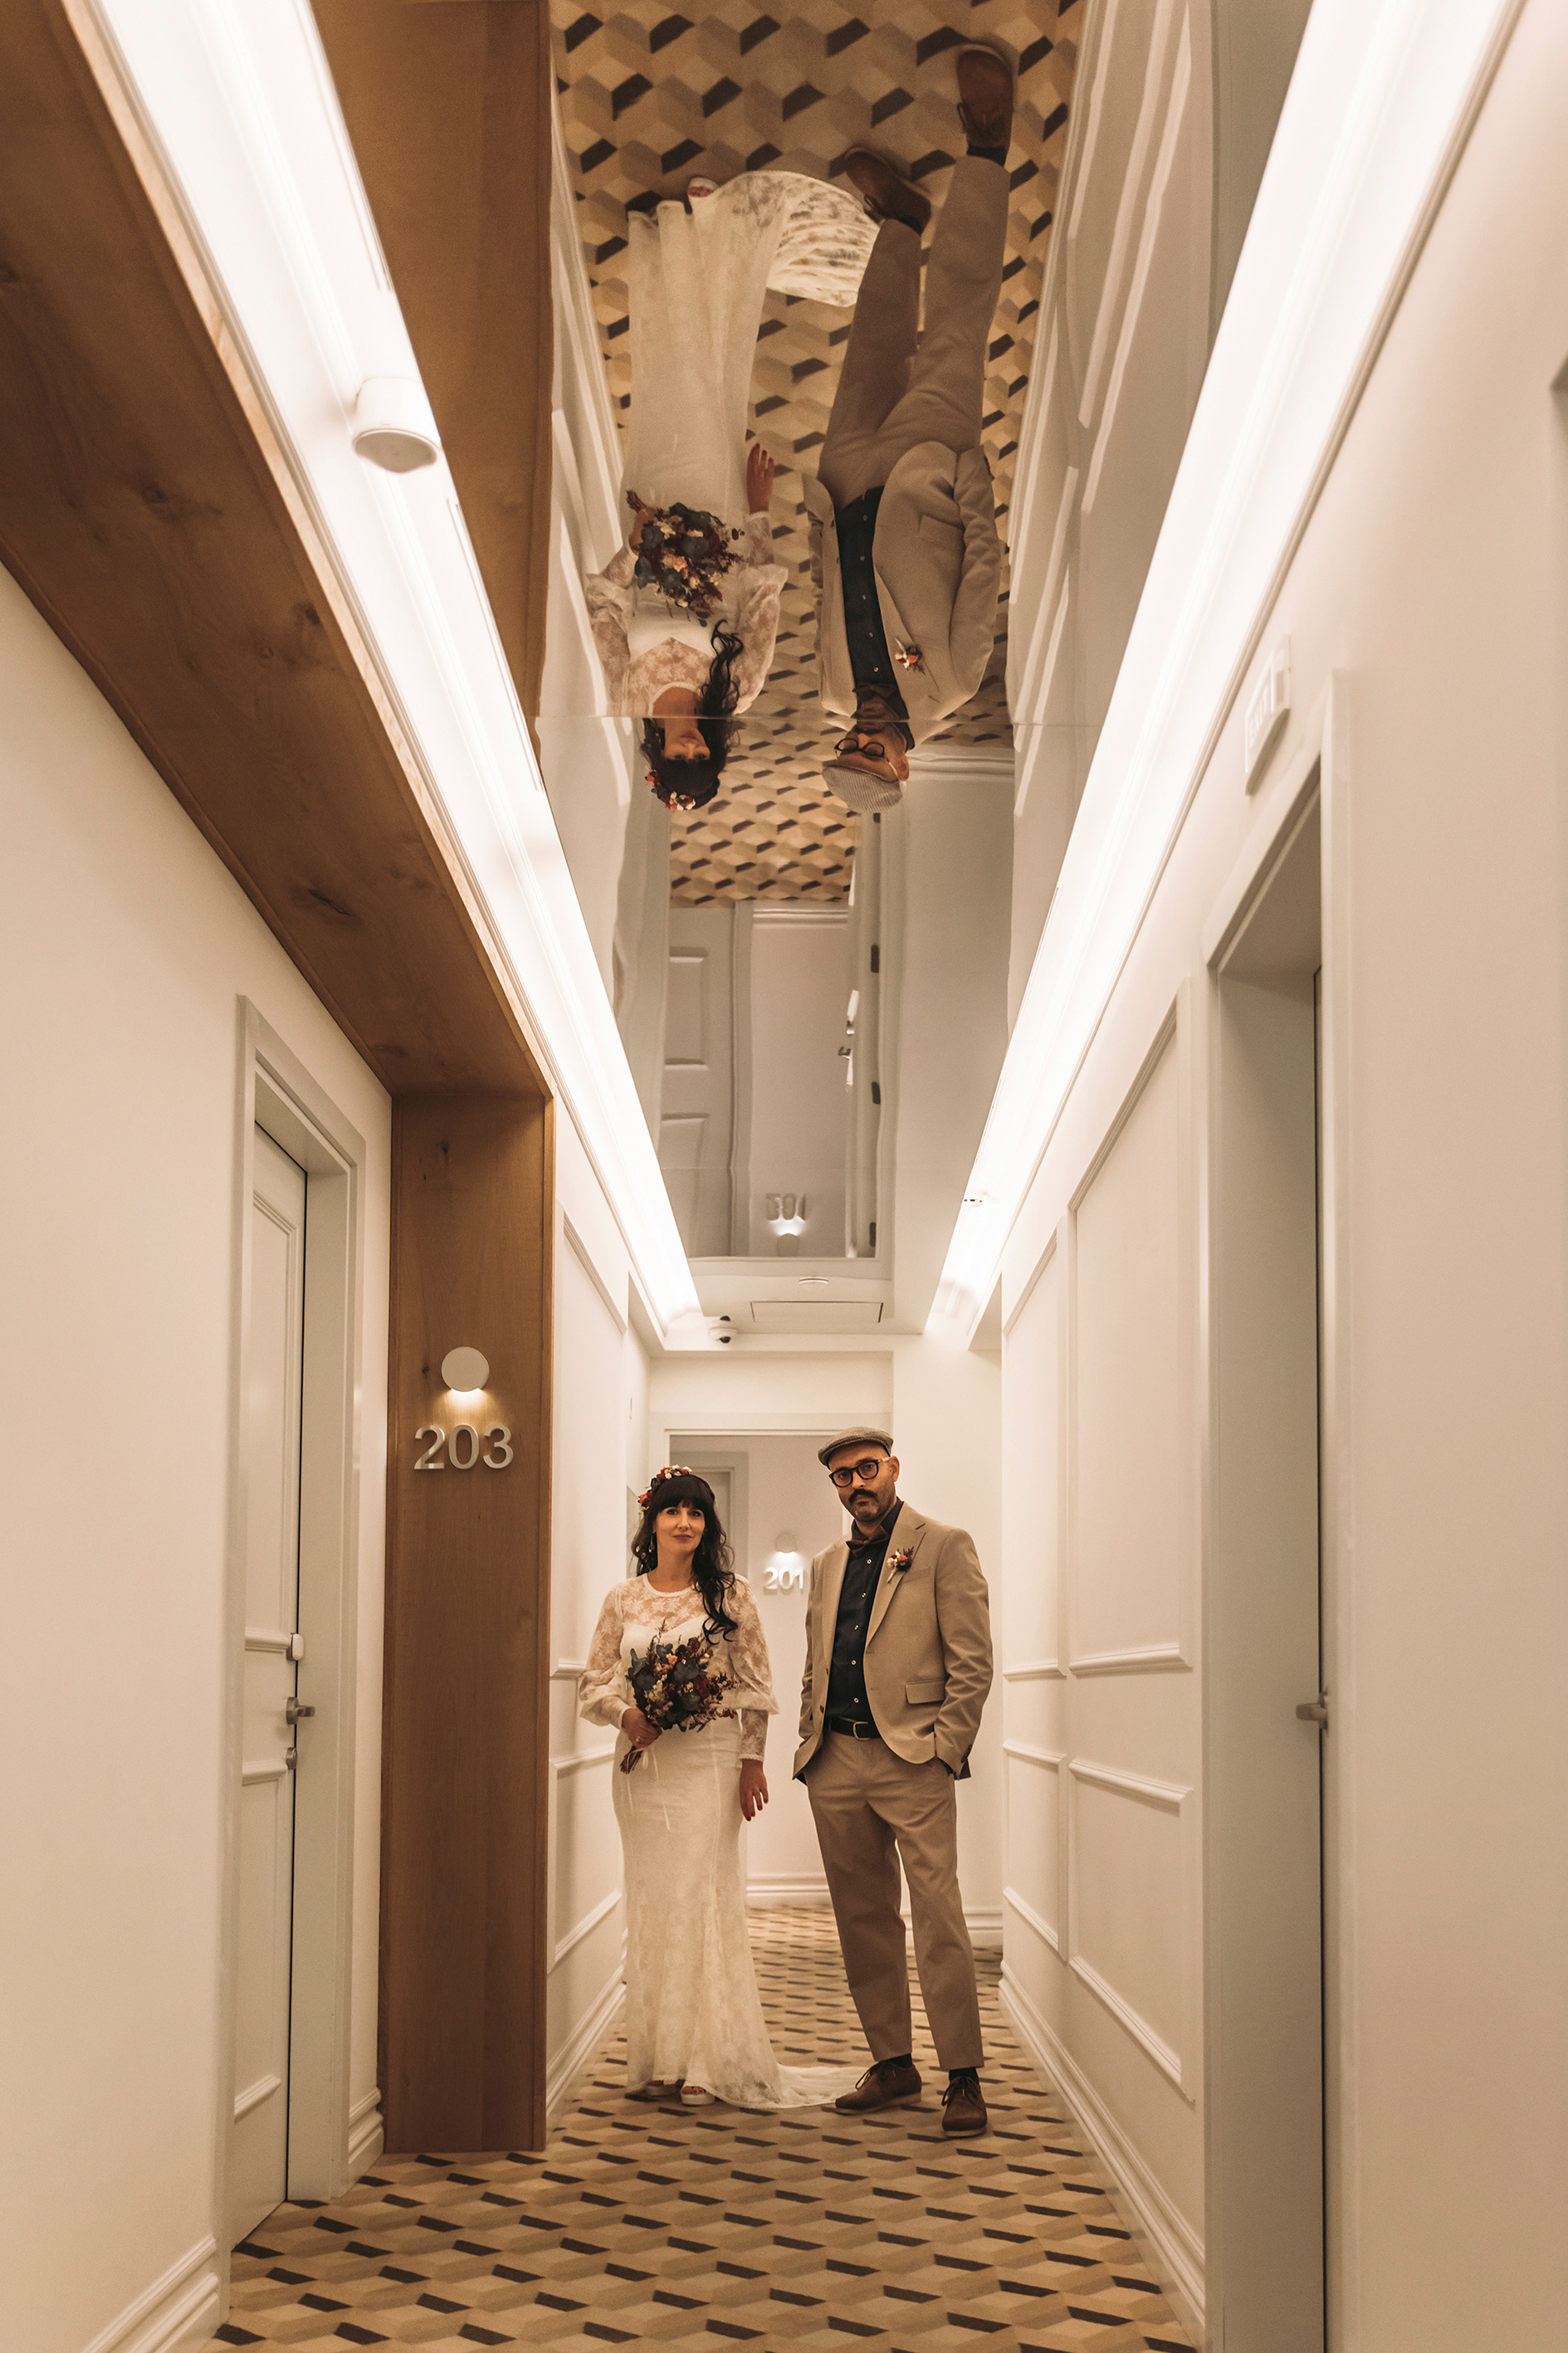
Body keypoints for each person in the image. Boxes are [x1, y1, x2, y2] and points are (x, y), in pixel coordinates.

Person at [584, 170, 876, 810]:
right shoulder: (735, 693)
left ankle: (665, 243)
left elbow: (602, 605)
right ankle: (711, 229)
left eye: (680, 759)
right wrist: (758, 510)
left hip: (652, 509)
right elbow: (764, 599)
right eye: (701, 758)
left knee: (664, 383)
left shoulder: (625, 693)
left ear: (660, 756)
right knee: (712, 384)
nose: (691, 748)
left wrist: (634, 546)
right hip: (720, 518)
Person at [579, 1466, 858, 2109]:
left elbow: (756, 1683)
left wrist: (751, 1761)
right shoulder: (622, 1599)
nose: (684, 1521)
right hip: (642, 1766)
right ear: (652, 1521)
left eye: (696, 1512)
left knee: (702, 1896)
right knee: (654, 1900)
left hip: (710, 1759)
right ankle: (661, 2056)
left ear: (707, 1525)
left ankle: (707, 2058)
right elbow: (593, 1682)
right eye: (672, 1510)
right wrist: (626, 1714)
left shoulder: (730, 1594)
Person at [804, 46, 1017, 811]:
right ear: (900, 767)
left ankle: (899, 221)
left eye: (847, 748)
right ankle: (986, 148)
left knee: (872, 340)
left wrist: (818, 524)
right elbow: (984, 566)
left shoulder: (832, 692)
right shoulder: (951, 681)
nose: (860, 735)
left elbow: (826, 593)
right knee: (957, 323)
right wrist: (969, 473)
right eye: (872, 754)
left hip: (847, 480)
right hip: (933, 468)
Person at [794, 1429, 994, 2136]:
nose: (857, 1483)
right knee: (862, 1917)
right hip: (836, 1760)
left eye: (867, 1469)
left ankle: (963, 2074)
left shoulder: (942, 1544)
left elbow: (972, 1661)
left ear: (893, 1469)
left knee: (938, 1914)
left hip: (913, 1760)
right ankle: (892, 2062)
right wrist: (808, 1739)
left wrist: (945, 1751)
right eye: (843, 1476)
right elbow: (816, 1661)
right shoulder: (825, 1564)